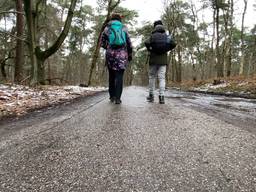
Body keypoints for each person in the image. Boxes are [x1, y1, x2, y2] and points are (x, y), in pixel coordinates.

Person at [101, 13, 133, 104]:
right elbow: (129, 43)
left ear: (111, 19)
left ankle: (112, 96)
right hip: (122, 55)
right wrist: (130, 54)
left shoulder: (107, 28)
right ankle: (118, 98)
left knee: (111, 76)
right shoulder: (124, 28)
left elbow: (102, 43)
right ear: (120, 19)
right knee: (119, 76)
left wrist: (108, 47)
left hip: (110, 54)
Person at [145, 20, 176, 104]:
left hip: (153, 60)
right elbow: (174, 44)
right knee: (162, 78)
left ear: (155, 27)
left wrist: (150, 49)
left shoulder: (152, 35)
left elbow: (146, 42)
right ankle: (161, 97)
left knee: (152, 77)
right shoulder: (166, 36)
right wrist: (167, 49)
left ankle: (151, 96)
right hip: (163, 60)